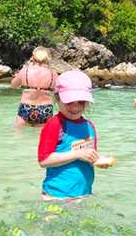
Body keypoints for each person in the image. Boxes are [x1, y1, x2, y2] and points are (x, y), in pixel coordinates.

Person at [37, 70, 98, 200]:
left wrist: (98, 160)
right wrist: (76, 154)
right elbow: (44, 161)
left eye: (81, 101)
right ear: (57, 98)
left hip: (84, 193)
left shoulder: (90, 126)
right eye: (69, 101)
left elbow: (90, 157)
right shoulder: (55, 125)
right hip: (56, 195)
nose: (75, 106)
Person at [10, 47, 58, 128]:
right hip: (45, 109)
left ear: (33, 57)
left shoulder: (25, 70)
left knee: (18, 136)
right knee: (42, 137)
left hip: (26, 106)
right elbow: (58, 91)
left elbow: (13, 85)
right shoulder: (53, 73)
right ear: (47, 58)